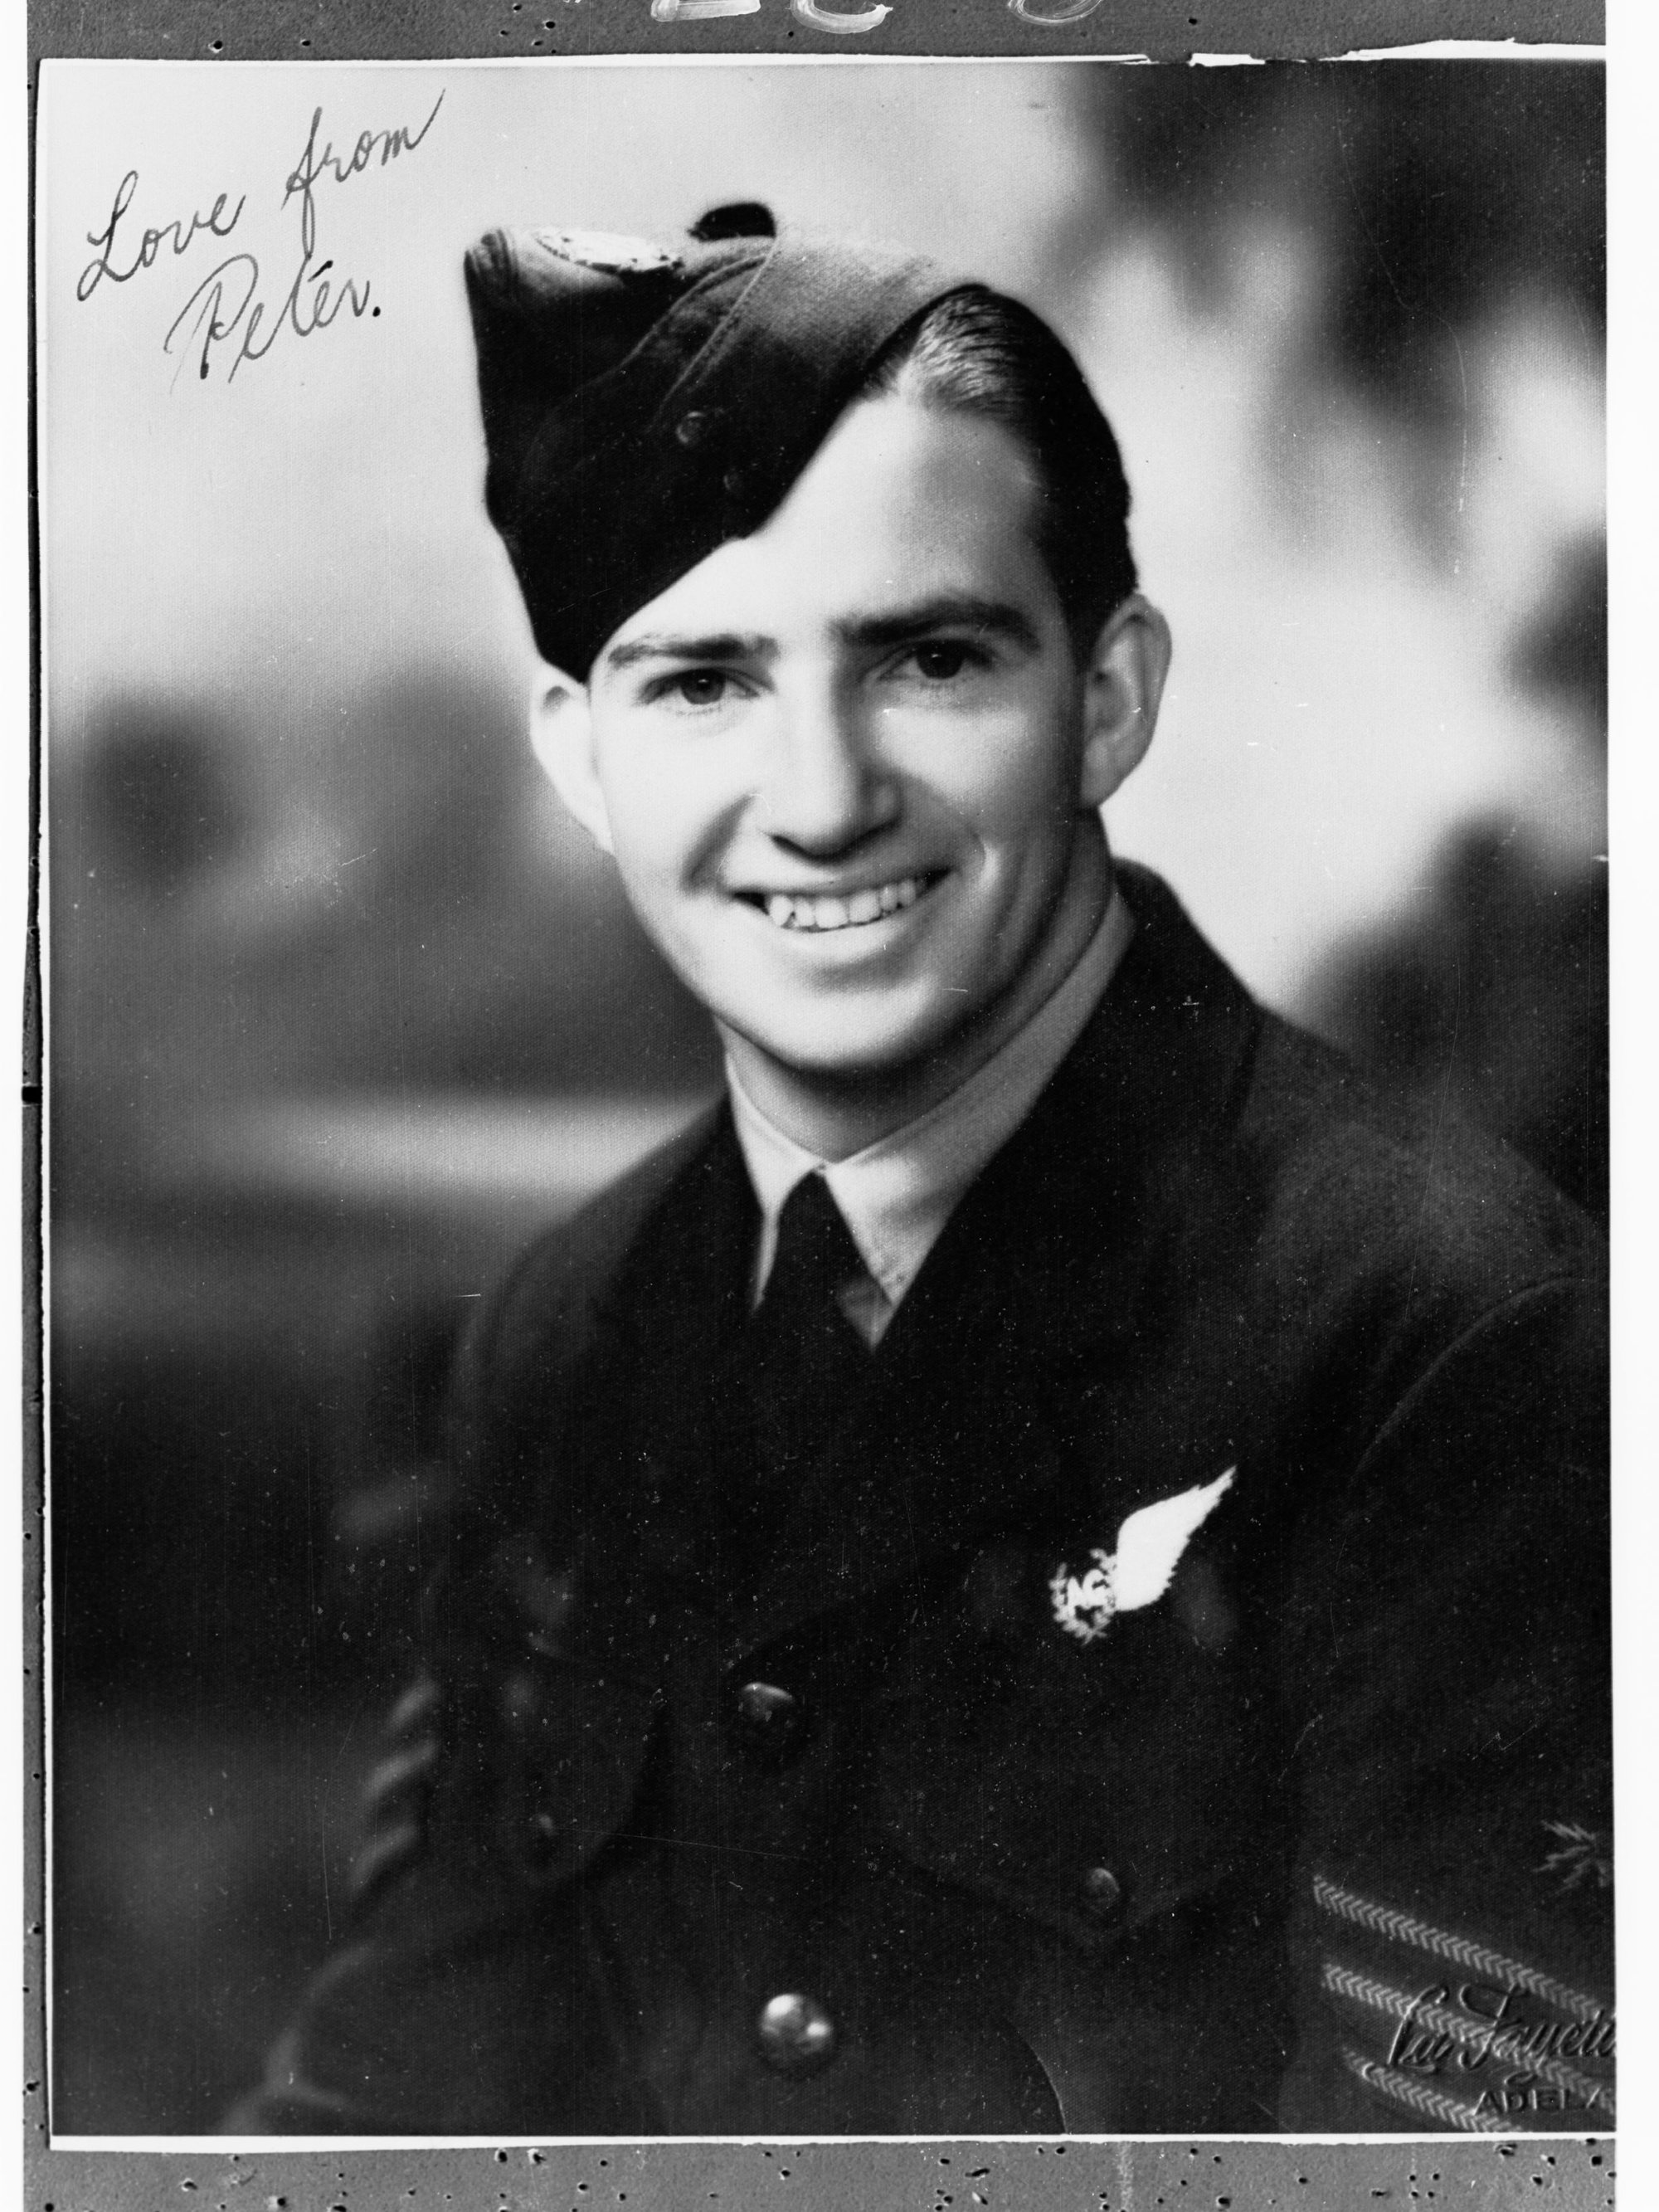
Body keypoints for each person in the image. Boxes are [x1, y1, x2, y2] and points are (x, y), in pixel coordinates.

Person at [232, 204, 1611, 2136]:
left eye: (928, 658)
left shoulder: (1447, 1338)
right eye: (700, 681)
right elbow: (379, 2116)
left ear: (1107, 698)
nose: (816, 796)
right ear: (578, 754)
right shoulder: (572, 1327)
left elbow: (1473, 2180)